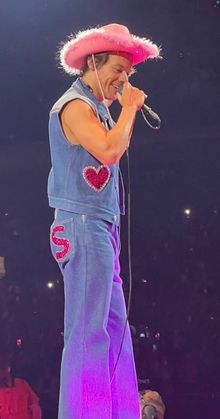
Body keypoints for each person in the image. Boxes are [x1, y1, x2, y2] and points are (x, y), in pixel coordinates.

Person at [48, 23, 160, 418]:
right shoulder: (75, 106)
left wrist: (121, 109)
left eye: (129, 73)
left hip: (101, 226)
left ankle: (119, 411)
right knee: (88, 331)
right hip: (80, 223)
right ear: (93, 63)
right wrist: (129, 107)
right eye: (118, 69)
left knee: (115, 330)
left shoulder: (98, 111)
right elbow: (109, 152)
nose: (124, 80)